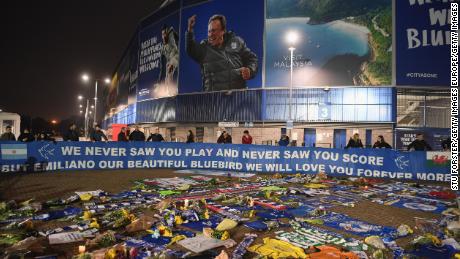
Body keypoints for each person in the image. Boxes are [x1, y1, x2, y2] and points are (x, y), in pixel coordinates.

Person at [186, 14, 258, 92]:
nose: (210, 35)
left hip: (237, 98)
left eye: (213, 31)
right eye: (209, 31)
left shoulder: (237, 42)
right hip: (214, 100)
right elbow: (191, 49)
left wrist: (250, 70)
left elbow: (252, 59)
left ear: (223, 31)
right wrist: (190, 30)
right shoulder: (204, 48)